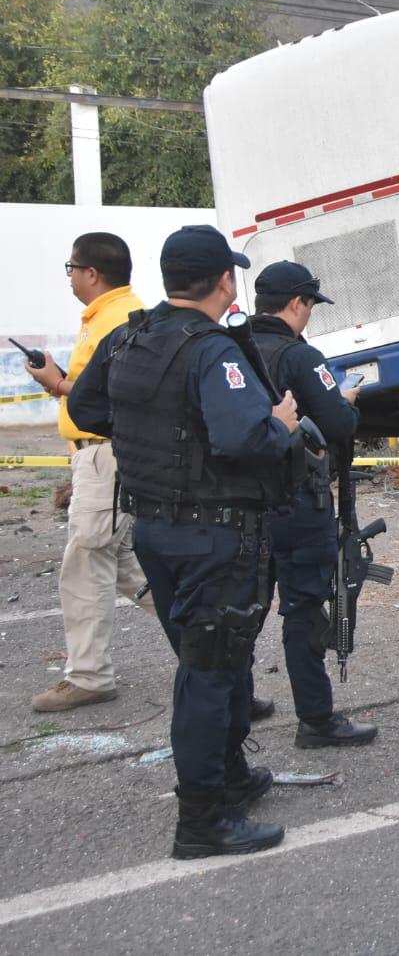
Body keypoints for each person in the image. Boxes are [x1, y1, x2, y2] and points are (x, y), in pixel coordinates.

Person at [68, 225, 299, 859]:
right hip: (213, 534)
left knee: (216, 667)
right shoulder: (212, 352)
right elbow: (243, 440)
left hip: (155, 530)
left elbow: (87, 409)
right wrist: (279, 424)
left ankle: (229, 778)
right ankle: (202, 823)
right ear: (225, 281)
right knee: (208, 673)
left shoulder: (129, 334)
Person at [248, 261, 377, 749]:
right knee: (303, 611)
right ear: (297, 304)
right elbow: (338, 426)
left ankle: (239, 703)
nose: (309, 318)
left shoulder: (228, 351)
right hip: (297, 505)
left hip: (242, 506)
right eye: (309, 307)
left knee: (246, 610)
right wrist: (344, 401)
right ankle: (317, 721)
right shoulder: (302, 358)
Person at [23, 233, 147, 712]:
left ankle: (90, 676)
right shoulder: (115, 314)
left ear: (91, 273)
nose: (70, 276)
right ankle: (204, 638)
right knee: (126, 566)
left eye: (71, 268)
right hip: (101, 455)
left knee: (85, 563)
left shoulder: (113, 319)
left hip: (104, 453)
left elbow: (109, 392)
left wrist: (55, 382)